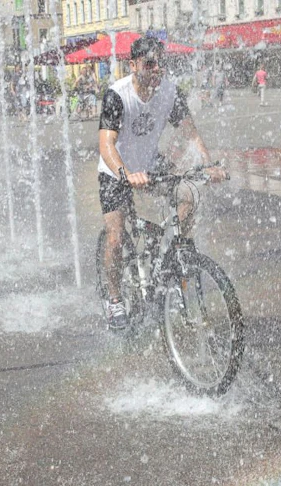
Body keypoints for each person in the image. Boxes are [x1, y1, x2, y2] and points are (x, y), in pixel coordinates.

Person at [97, 36, 225, 330]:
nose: (156, 69)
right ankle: (115, 299)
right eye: (149, 63)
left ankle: (174, 260)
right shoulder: (118, 94)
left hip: (150, 164)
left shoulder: (169, 92)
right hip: (115, 169)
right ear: (133, 65)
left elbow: (190, 132)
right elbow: (106, 143)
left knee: (190, 196)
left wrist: (208, 164)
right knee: (116, 236)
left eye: (160, 63)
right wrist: (125, 173)